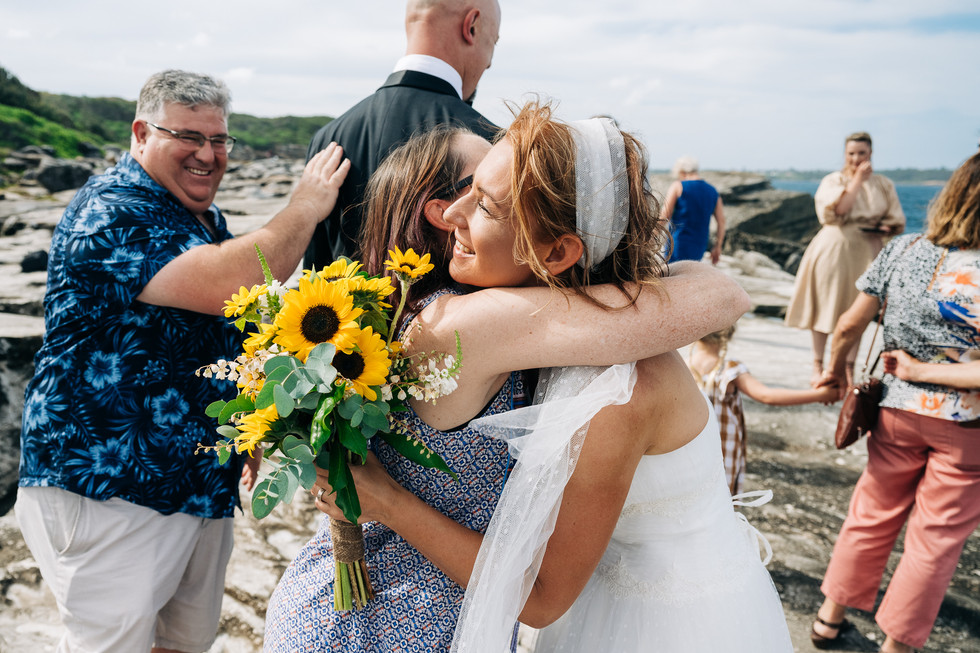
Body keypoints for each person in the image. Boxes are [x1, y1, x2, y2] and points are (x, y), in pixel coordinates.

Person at [273, 101, 792, 652]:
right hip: (384, 621)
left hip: (665, 621)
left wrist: (390, 503)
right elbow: (717, 290)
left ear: (560, 251)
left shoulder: (618, 384)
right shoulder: (482, 326)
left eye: (487, 203)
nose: (453, 215)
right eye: (461, 191)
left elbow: (544, 592)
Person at [14, 69, 349, 653]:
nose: (208, 155)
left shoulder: (198, 217)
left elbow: (214, 327)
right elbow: (230, 281)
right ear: (141, 133)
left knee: (184, 645)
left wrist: (251, 423)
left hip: (194, 485)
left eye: (219, 140)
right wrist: (305, 206)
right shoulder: (111, 211)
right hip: (107, 486)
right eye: (188, 137)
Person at [810, 151, 980, 653]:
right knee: (935, 541)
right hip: (966, 427)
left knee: (871, 511)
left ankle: (827, 621)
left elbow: (847, 325)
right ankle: (896, 647)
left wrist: (835, 372)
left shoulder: (904, 250)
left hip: (896, 413)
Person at [305, 0, 502, 267]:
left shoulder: (327, 139)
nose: (489, 63)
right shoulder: (493, 146)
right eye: (494, 42)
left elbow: (315, 272)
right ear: (472, 26)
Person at [785, 132, 906, 387]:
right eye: (851, 153)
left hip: (868, 249)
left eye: (861, 153)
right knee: (824, 305)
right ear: (845, 155)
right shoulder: (835, 180)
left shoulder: (883, 184)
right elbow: (838, 210)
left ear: (870, 153)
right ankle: (818, 364)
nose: (856, 158)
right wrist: (857, 181)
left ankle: (847, 368)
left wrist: (885, 227)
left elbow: (897, 219)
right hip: (835, 248)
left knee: (857, 310)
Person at [688, 324, 839, 494]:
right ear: (730, 333)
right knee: (718, 502)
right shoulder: (729, 368)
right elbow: (767, 396)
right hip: (722, 454)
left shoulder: (685, 367)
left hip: (690, 452)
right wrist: (820, 395)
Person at [663, 155, 727, 264]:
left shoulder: (678, 186)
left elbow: (664, 216)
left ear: (682, 171)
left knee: (673, 275)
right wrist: (718, 247)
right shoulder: (712, 191)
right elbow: (721, 222)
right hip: (700, 244)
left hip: (679, 242)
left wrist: (648, 240)